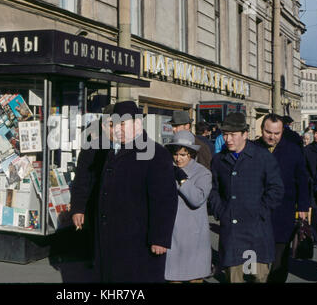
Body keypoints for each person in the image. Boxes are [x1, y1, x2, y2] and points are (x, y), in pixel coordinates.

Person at [94, 101, 178, 283]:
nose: (118, 129)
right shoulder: (112, 151)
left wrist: (160, 238)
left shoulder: (156, 153)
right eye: (115, 124)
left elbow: (165, 199)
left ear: (137, 124)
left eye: (123, 124)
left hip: (139, 241)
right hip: (112, 239)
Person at [208, 112, 284, 283]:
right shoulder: (219, 160)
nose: (228, 139)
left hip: (257, 231)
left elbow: (276, 189)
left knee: (259, 277)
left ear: (245, 134)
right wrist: (221, 211)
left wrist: (261, 212)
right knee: (233, 278)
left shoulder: (263, 157)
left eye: (233, 135)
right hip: (232, 232)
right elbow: (213, 190)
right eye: (225, 134)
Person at [254, 113, 309, 283]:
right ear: (262, 129)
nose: (272, 137)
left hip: (283, 212)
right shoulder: (252, 148)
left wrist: (303, 207)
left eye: (276, 133)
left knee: (279, 259)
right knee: (254, 259)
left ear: (282, 132)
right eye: (268, 132)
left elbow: (303, 180)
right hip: (256, 212)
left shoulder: (293, 150)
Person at [164, 130, 212, 283]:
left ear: (191, 154)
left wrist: (183, 181)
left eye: (183, 155)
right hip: (172, 235)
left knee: (194, 278)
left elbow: (197, 199)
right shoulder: (166, 170)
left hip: (194, 238)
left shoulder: (203, 173)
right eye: (176, 154)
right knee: (173, 278)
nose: (178, 159)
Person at [70, 104, 115, 263]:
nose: (114, 129)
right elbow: (82, 180)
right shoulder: (92, 148)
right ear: (104, 125)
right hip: (97, 208)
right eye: (110, 125)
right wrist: (78, 208)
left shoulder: (131, 148)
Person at [304, 122, 317, 246]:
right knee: (316, 212)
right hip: (314, 186)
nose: (315, 136)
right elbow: (304, 169)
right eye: (314, 133)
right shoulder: (307, 150)